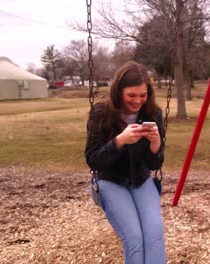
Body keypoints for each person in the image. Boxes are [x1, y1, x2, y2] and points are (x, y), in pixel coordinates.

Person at [85, 61, 166, 264]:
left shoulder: (152, 114)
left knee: (154, 235)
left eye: (143, 95)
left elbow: (154, 164)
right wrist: (120, 141)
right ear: (119, 91)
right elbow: (94, 160)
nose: (137, 100)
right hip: (110, 180)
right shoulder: (101, 113)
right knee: (134, 237)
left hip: (140, 179)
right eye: (131, 95)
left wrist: (155, 144)